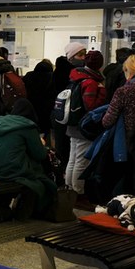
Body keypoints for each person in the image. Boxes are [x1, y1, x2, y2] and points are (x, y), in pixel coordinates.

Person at [0, 99, 56, 219]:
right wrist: (41, 144)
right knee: (38, 184)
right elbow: (39, 154)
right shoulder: (27, 126)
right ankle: (24, 215)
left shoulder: (1, 123)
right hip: (13, 170)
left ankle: (2, 207)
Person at [99, 54, 135, 196]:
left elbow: (107, 121)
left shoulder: (123, 91)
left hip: (125, 144)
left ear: (128, 71)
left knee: (125, 182)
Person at [64, 50, 106, 199]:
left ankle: (68, 189)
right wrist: (102, 93)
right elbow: (91, 106)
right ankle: (78, 194)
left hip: (73, 124)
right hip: (84, 126)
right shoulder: (91, 82)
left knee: (73, 159)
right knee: (81, 161)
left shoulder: (77, 76)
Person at [51, 43, 86, 172]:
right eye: (80, 55)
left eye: (84, 54)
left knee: (71, 151)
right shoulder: (67, 73)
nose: (83, 58)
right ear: (71, 56)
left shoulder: (69, 71)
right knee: (66, 149)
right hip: (63, 113)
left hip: (66, 113)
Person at [22, 59, 55, 142]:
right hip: (46, 109)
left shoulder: (29, 76)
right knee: (44, 130)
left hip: (30, 107)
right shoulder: (52, 77)